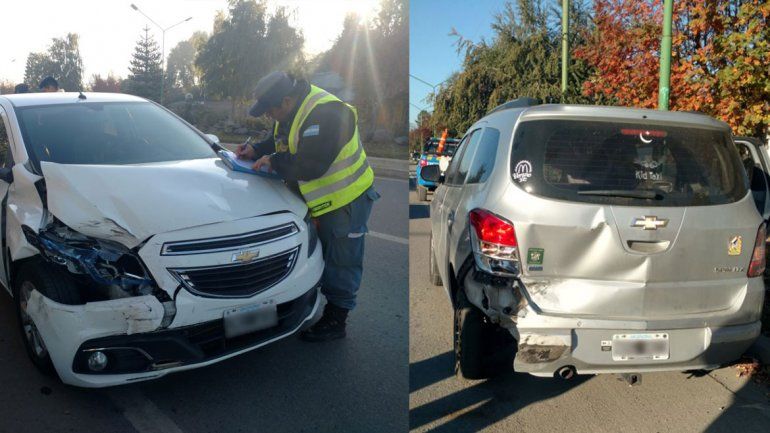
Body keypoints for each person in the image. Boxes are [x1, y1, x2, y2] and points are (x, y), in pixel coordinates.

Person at [238, 71, 378, 342]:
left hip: (345, 199)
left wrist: (274, 161)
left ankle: (336, 320)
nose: (269, 116)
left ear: (286, 100)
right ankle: (303, 304)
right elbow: (282, 140)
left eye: (270, 110)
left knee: (342, 262)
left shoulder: (329, 113)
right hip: (317, 201)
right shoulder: (291, 112)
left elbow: (311, 165)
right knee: (314, 254)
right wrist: (257, 150)